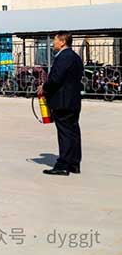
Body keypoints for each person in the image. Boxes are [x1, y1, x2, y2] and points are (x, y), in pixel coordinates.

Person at [38, 31, 84, 176]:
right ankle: (74, 163)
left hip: (63, 101)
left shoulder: (64, 57)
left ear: (63, 41)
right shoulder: (75, 57)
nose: (53, 43)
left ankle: (63, 164)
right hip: (73, 101)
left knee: (65, 133)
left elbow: (56, 79)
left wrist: (44, 87)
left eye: (55, 40)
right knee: (73, 132)